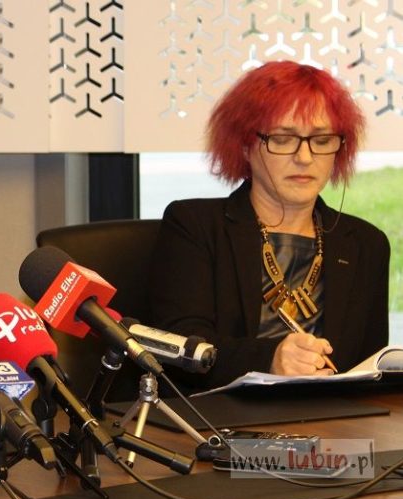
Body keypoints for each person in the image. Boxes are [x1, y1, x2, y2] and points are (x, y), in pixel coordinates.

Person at [147, 61, 390, 390]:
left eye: (321, 140)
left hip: (334, 417)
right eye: (283, 138)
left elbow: (370, 370)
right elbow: (177, 349)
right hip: (219, 415)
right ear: (245, 145)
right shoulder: (194, 226)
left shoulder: (366, 243)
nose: (304, 157)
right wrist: (269, 360)